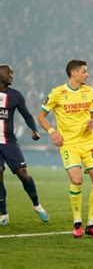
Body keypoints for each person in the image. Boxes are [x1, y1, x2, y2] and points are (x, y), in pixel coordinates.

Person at [38, 60, 93, 238]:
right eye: (84, 71)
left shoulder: (89, 91)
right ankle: (77, 222)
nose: (87, 75)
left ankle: (91, 223)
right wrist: (52, 132)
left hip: (89, 142)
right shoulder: (58, 93)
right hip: (69, 144)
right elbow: (41, 116)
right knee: (76, 180)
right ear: (74, 73)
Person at [0, 65, 48, 226]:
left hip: (9, 142)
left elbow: (27, 115)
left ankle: (36, 204)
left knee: (23, 173)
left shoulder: (15, 96)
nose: (12, 75)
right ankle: (3, 213)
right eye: (9, 72)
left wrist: (34, 130)